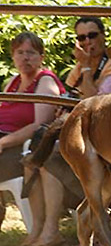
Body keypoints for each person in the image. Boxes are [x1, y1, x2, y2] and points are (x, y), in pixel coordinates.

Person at [23, 17, 111, 246]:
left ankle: (53, 230)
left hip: (106, 135)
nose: (87, 42)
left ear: (103, 36)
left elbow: (96, 102)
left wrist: (88, 68)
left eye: (92, 36)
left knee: (49, 157)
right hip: (82, 131)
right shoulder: (78, 68)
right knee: (38, 157)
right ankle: (40, 230)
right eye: (81, 37)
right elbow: (71, 98)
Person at [0, 32, 65, 230]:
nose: (25, 57)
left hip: (23, 149)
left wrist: (3, 143)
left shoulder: (45, 82)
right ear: (13, 56)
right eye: (20, 52)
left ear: (41, 57)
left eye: (31, 52)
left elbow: (40, 125)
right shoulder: (13, 82)